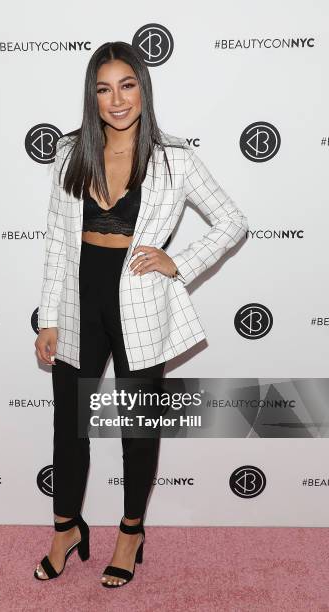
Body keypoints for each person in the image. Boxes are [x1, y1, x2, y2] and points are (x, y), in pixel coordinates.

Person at [34, 41, 249, 588]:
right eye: (104, 88)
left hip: (141, 301)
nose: (117, 99)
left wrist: (179, 263)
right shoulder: (69, 151)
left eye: (127, 85)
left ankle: (131, 530)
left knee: (137, 426)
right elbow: (59, 245)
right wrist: (49, 318)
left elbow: (232, 222)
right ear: (93, 95)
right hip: (80, 296)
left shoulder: (175, 156)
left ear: (143, 89)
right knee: (68, 424)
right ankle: (66, 528)